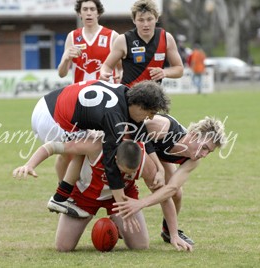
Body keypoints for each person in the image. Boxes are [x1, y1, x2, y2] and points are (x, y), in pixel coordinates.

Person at [13, 139, 192, 251]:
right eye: (125, 172)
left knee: (140, 246)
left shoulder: (145, 162)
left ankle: (115, 222)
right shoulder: (95, 145)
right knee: (63, 247)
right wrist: (30, 164)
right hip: (84, 195)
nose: (128, 175)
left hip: (122, 199)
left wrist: (174, 234)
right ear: (115, 160)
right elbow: (53, 146)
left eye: (132, 172)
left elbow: (165, 198)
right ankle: (112, 223)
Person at [27, 79, 170, 218]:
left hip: (46, 104)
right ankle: (61, 198)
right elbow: (110, 162)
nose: (150, 118)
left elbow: (141, 133)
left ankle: (65, 195)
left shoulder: (126, 94)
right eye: (150, 113)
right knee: (88, 146)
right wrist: (121, 204)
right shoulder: (115, 117)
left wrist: (160, 168)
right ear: (140, 106)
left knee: (86, 144)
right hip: (52, 119)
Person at [113, 116, 227, 239]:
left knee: (177, 194)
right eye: (204, 148)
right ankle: (115, 213)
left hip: (159, 154)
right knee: (153, 180)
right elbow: (133, 126)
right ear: (193, 135)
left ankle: (168, 230)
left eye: (209, 152)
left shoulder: (193, 160)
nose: (204, 155)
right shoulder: (162, 126)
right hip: (134, 144)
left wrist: (141, 203)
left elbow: (172, 188)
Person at [56, 0, 121, 190]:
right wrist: (67, 56)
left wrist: (115, 77)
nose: (89, 13)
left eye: (93, 9)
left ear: (98, 13)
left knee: (106, 149)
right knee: (66, 152)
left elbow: (121, 69)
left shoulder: (112, 36)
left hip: (105, 104)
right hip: (79, 103)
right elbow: (61, 72)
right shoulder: (73, 36)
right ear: (80, 14)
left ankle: (110, 189)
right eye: (85, 9)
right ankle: (64, 191)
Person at [99, 0, 184, 87]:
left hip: (153, 95)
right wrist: (104, 73)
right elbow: (107, 66)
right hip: (129, 95)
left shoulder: (166, 38)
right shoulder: (123, 40)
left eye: (149, 19)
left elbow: (179, 69)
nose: (145, 24)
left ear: (156, 18)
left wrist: (164, 72)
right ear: (134, 20)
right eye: (141, 20)